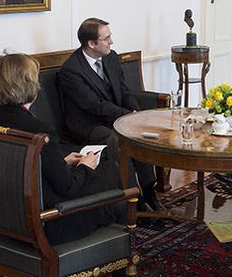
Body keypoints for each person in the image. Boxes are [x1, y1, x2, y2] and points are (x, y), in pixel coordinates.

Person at [0, 52, 127, 277]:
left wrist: (61, 161)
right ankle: (121, 272)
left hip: (5, 220)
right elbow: (67, 188)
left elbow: (24, 169)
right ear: (30, 85)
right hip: (46, 226)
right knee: (111, 175)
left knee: (101, 177)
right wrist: (85, 167)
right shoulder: (39, 130)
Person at [58, 18, 162, 212]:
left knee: (138, 130)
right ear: (91, 44)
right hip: (88, 125)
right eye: (106, 38)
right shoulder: (71, 70)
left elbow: (124, 91)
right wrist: (126, 117)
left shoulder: (111, 57)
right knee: (116, 138)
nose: (111, 42)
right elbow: (94, 106)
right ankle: (132, 199)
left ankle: (150, 192)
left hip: (112, 117)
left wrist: (136, 114)